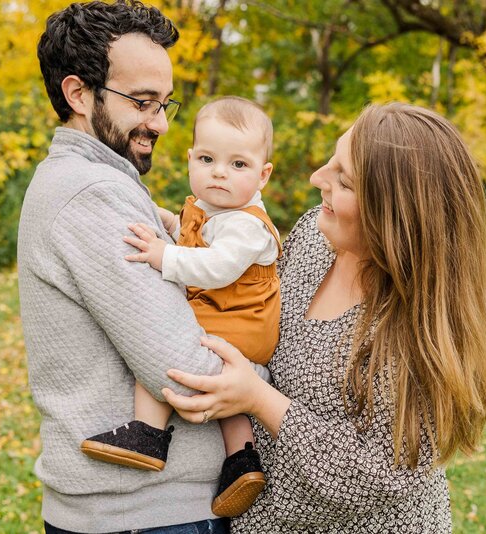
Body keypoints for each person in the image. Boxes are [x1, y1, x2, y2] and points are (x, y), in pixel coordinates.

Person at [162, 102, 486, 532]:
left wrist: (257, 399)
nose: (316, 179)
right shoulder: (314, 236)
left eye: (342, 180)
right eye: (332, 161)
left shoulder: (418, 331)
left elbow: (379, 474)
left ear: (393, 217)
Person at [18, 2, 265, 532]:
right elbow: (181, 370)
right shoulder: (93, 192)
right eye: (143, 102)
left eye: (164, 105)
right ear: (79, 94)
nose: (160, 124)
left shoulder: (94, 181)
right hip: (145, 516)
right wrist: (266, 385)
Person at [81, 96, 280, 518]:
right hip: (235, 323)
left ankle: (149, 433)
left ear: (263, 175)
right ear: (191, 158)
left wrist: (162, 257)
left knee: (159, 340)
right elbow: (194, 231)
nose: (220, 172)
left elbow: (216, 266)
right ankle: (241, 462)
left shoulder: (246, 224)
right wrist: (167, 223)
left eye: (238, 165)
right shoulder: (215, 208)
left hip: (237, 319)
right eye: (207, 158)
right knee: (231, 397)